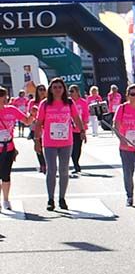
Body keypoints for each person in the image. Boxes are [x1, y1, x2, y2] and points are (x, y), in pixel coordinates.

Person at [34, 78, 86, 212]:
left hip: (66, 142)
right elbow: (39, 123)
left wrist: (82, 131)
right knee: (51, 170)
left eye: (60, 87)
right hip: (49, 142)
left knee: (64, 171)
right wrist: (37, 140)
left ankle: (62, 198)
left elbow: (76, 118)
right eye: (55, 87)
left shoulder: (69, 103)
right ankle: (50, 199)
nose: (57, 89)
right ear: (51, 89)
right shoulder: (45, 104)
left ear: (64, 89)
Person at [0, 88, 34, 211]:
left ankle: (5, 199)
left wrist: (33, 115)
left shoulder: (11, 110)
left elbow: (27, 121)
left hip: (8, 147)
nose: (5, 99)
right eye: (3, 96)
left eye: (5, 96)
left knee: (5, 174)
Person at [67, 85, 88, 175]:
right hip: (70, 129)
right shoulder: (68, 102)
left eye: (72, 91)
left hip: (79, 128)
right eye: (69, 91)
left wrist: (83, 125)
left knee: (78, 148)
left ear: (77, 92)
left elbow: (86, 115)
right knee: (71, 148)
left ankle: (77, 162)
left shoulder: (83, 102)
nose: (70, 93)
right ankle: (76, 165)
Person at [28, 85, 47, 174]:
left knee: (47, 147)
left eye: (44, 89)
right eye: (40, 90)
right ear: (37, 91)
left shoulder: (48, 102)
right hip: (35, 128)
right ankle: (42, 164)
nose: (42, 91)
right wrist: (33, 112)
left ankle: (48, 164)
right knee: (38, 147)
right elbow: (29, 114)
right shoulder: (32, 102)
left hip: (47, 127)